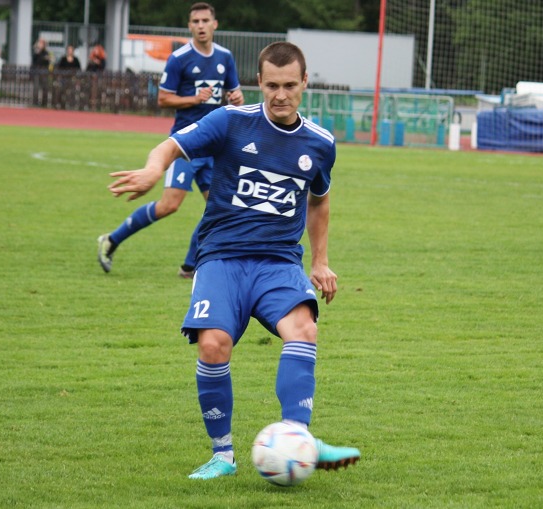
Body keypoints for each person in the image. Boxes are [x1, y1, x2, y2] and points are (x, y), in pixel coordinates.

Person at [107, 41, 361, 480]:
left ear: (305, 83)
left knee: (304, 329)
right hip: (221, 258)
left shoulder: (320, 144)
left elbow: (319, 200)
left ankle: (299, 440)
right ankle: (222, 456)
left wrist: (320, 261)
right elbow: (171, 146)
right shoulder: (230, 121)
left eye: (289, 85)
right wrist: (152, 170)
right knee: (213, 345)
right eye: (272, 86)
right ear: (258, 82)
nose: (280, 95)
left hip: (278, 262)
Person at [97, 2, 244, 278]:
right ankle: (111, 240)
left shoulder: (225, 57)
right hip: (185, 145)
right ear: (189, 26)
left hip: (214, 147)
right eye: (195, 21)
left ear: (215, 24)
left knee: (221, 208)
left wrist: (236, 98)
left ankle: (189, 266)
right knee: (169, 205)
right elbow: (164, 98)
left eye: (205, 20)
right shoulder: (179, 58)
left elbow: (236, 96)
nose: (200, 26)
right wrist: (194, 99)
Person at [31, 37, 51, 107]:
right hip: (36, 71)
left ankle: (44, 103)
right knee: (36, 88)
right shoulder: (36, 52)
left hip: (44, 71)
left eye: (42, 43)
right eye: (40, 43)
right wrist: (37, 49)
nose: (41, 45)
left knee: (45, 87)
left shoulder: (46, 53)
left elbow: (48, 61)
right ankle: (35, 102)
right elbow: (34, 60)